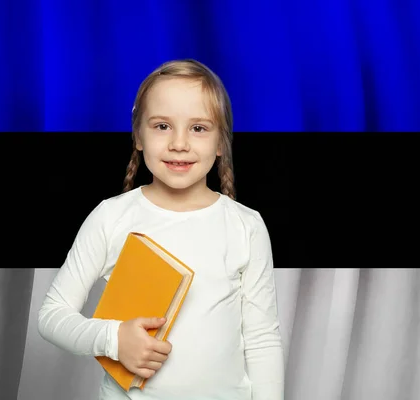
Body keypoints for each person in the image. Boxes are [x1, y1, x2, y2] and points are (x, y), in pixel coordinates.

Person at [38, 59, 285, 400]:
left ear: (220, 142)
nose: (179, 143)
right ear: (138, 135)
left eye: (198, 128)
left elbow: (262, 340)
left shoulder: (246, 225)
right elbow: (52, 316)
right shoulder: (111, 217)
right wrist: (114, 339)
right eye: (162, 126)